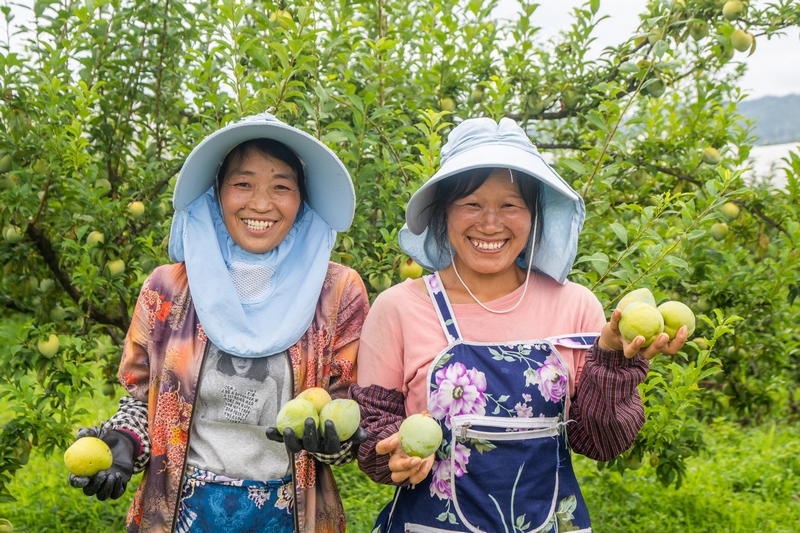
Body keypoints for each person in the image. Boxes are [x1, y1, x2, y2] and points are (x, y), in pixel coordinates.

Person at [350, 117, 688, 532]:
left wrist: (614, 359)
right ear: (442, 211)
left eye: (510, 205)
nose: (490, 223)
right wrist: (393, 455)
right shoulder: (399, 307)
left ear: (533, 215)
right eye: (471, 203)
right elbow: (373, 428)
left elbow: (602, 443)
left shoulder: (576, 305)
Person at [67, 113, 370, 533]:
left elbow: (345, 410)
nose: (260, 204)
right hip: (181, 513)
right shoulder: (168, 289)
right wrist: (121, 444)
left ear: (303, 199)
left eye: (281, 186)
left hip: (292, 515)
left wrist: (337, 444)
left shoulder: (336, 292)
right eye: (242, 183)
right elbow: (141, 401)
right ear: (216, 193)